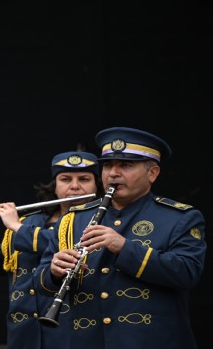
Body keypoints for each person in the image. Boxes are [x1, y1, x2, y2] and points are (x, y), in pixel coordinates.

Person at [36, 127, 206, 349]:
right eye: (107, 165)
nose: (113, 173)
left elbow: (187, 273)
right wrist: (53, 272)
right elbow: (40, 282)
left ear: (152, 173)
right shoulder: (73, 218)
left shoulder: (180, 217)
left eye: (126, 165)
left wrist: (124, 247)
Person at [0, 151, 103, 349]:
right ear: (54, 186)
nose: (74, 186)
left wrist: (18, 227)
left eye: (84, 179)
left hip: (72, 333)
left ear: (96, 186)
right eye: (65, 179)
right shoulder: (31, 220)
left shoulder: (100, 221)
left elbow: (64, 242)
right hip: (24, 334)